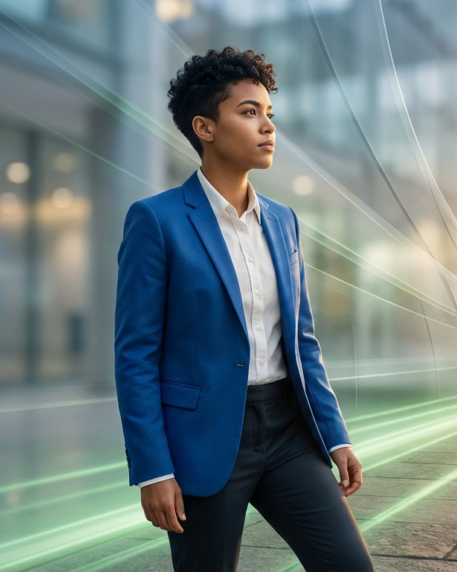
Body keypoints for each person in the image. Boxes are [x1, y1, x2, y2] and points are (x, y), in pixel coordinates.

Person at [113, 47, 374, 572]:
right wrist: (153, 470)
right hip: (203, 441)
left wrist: (335, 433)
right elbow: (135, 355)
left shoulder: (284, 222)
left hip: (287, 432)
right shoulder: (156, 221)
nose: (267, 126)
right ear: (205, 128)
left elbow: (301, 341)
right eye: (249, 112)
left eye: (269, 114)